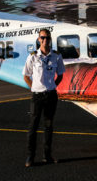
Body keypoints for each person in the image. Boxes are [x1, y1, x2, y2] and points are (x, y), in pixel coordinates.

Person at [22, 29, 65, 167]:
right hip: (37, 96)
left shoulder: (57, 56)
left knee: (48, 126)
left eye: (47, 38)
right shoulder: (33, 57)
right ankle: (30, 157)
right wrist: (34, 88)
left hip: (51, 95)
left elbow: (61, 75)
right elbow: (26, 76)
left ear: (50, 39)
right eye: (43, 37)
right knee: (33, 127)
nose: (45, 40)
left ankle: (47, 156)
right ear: (39, 39)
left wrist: (52, 85)